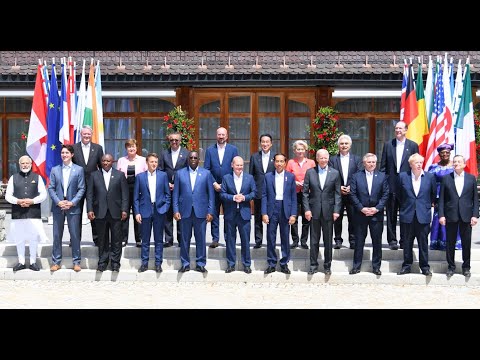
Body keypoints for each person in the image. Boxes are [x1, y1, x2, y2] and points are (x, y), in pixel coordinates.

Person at [173, 150, 215, 273]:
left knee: (201, 239)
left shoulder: (206, 174)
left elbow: (211, 195)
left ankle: (200, 263)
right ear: (188, 159)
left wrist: (210, 211)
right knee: (184, 239)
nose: (192, 159)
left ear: (198, 160)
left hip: (201, 212)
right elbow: (175, 194)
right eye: (190, 157)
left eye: (195, 157)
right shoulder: (180, 174)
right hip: (184, 211)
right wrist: (175, 210)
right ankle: (185, 263)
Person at [5, 155, 49, 272]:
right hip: (18, 213)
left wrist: (32, 201)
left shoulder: (37, 177)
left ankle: (33, 262)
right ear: (19, 165)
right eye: (22, 163)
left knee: (33, 238)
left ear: (31, 164)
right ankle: (21, 262)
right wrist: (18, 201)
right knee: (19, 238)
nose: (25, 165)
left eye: (27, 163)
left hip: (33, 212)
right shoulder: (13, 178)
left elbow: (43, 194)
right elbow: (8, 195)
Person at [380, 121, 419, 250]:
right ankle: (392, 240)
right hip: (391, 185)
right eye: (396, 128)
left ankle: (404, 240)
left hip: (406, 186)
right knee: (391, 213)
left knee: (405, 214)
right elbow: (383, 167)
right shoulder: (388, 145)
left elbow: (416, 165)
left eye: (400, 128)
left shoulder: (413, 146)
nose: (398, 130)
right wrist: (383, 184)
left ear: (406, 130)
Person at [87, 154, 129, 272]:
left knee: (116, 239)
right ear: (101, 162)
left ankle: (115, 263)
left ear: (112, 162)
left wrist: (125, 210)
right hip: (99, 212)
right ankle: (103, 262)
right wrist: (89, 209)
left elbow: (125, 194)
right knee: (102, 239)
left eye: (108, 161)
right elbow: (89, 194)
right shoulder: (94, 175)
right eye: (104, 161)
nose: (105, 163)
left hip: (116, 212)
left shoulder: (120, 175)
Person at [439, 154, 479, 278]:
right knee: (450, 243)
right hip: (451, 215)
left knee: (466, 243)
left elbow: (475, 199)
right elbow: (441, 199)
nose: (456, 163)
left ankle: (466, 267)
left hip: (466, 216)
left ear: (464, 164)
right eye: (454, 161)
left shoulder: (471, 178)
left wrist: (475, 215)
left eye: (459, 162)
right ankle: (451, 267)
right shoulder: (446, 178)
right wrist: (441, 215)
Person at [303, 149, 341, 275]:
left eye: (325, 158)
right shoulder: (310, 172)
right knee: (314, 240)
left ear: (328, 159)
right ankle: (313, 265)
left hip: (329, 211)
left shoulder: (335, 173)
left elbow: (337, 194)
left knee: (328, 240)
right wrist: (307, 209)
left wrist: (336, 210)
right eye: (321, 158)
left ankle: (327, 266)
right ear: (317, 159)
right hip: (313, 211)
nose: (323, 160)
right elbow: (305, 193)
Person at [47, 145, 86, 272]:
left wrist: (72, 202)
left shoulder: (79, 170)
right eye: (62, 153)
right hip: (59, 206)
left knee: (75, 235)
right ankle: (56, 262)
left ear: (72, 155)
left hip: (73, 207)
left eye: (67, 153)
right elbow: (51, 188)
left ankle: (76, 262)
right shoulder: (55, 170)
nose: (64, 155)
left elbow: (81, 188)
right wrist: (58, 202)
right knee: (57, 235)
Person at [349, 153, 389, 275]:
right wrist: (361, 208)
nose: (371, 164)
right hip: (361, 214)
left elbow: (385, 194)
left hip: (376, 214)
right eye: (369, 162)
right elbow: (352, 194)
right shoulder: (356, 176)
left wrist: (377, 208)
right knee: (359, 241)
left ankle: (376, 267)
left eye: (373, 162)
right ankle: (356, 266)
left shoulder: (382, 176)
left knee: (377, 241)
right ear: (364, 163)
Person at [397, 153, 436, 276]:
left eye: (420, 162)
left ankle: (424, 267)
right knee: (407, 242)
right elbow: (399, 195)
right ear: (410, 164)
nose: (419, 164)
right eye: (416, 162)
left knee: (423, 242)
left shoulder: (429, 177)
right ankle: (407, 266)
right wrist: (405, 206)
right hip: (407, 214)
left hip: (423, 215)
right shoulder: (403, 176)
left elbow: (432, 195)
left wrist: (424, 206)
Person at [133, 153, 171, 273]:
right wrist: (137, 212)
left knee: (159, 239)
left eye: (155, 162)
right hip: (145, 211)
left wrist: (165, 208)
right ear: (147, 163)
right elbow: (136, 198)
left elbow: (167, 195)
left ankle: (158, 263)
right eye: (151, 162)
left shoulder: (163, 176)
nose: (154, 164)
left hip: (159, 211)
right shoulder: (140, 177)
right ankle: (144, 263)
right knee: (145, 239)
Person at [220, 156, 256, 274]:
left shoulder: (249, 178)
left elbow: (254, 192)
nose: (239, 167)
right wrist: (233, 197)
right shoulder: (226, 178)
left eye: (241, 165)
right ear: (232, 165)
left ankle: (246, 264)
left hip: (244, 214)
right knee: (230, 240)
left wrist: (245, 198)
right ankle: (231, 264)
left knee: (245, 240)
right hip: (230, 213)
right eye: (237, 165)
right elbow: (222, 194)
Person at [262, 153, 297, 275]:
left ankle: (284, 263)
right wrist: (264, 213)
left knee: (285, 237)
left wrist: (293, 214)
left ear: (285, 163)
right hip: (272, 209)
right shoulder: (268, 177)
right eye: (277, 161)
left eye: (282, 161)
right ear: (274, 162)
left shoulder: (291, 177)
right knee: (271, 237)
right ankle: (271, 263)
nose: (279, 164)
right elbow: (264, 195)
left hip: (285, 209)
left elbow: (293, 197)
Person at [204, 127, 238, 248]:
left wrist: (225, 184)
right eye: (219, 134)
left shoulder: (233, 149)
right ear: (216, 135)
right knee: (214, 213)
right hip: (213, 187)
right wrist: (214, 183)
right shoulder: (209, 150)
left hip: (228, 187)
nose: (221, 137)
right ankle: (215, 238)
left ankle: (228, 237)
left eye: (223, 134)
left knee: (229, 214)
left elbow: (235, 168)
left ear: (227, 136)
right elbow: (207, 169)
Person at [328, 134, 363, 249]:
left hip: (352, 194)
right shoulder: (333, 160)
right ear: (338, 145)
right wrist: (339, 188)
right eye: (341, 144)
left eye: (346, 143)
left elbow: (359, 175)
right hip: (337, 194)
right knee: (337, 218)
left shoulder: (357, 159)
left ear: (350, 145)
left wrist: (351, 188)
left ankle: (352, 240)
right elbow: (330, 176)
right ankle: (338, 240)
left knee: (353, 218)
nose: (344, 146)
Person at [72, 125, 104, 245]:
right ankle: (75, 239)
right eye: (84, 134)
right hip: (77, 186)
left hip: (93, 186)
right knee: (76, 214)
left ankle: (97, 239)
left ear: (92, 135)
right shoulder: (74, 148)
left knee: (94, 212)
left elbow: (102, 167)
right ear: (81, 134)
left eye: (88, 134)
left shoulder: (98, 148)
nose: (86, 136)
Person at [427, 143, 462, 250]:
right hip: (438, 197)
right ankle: (438, 242)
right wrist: (431, 198)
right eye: (442, 153)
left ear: (450, 153)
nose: (445, 155)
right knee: (439, 218)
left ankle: (454, 242)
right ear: (439, 154)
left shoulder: (455, 166)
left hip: (453, 196)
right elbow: (429, 183)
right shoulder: (433, 167)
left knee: (453, 218)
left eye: (447, 153)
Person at [158, 132, 190, 248]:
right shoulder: (164, 154)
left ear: (180, 141)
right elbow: (160, 170)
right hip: (166, 189)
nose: (174, 142)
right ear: (169, 141)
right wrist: (166, 184)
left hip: (181, 189)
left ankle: (181, 239)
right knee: (167, 214)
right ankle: (168, 239)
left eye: (176, 140)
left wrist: (177, 184)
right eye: (172, 140)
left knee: (180, 214)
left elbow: (188, 171)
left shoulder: (186, 153)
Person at [116, 139, 147, 248]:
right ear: (126, 148)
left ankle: (139, 239)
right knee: (124, 214)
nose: (131, 148)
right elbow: (118, 176)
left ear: (137, 147)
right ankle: (123, 239)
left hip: (138, 189)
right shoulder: (121, 160)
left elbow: (146, 176)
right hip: (124, 189)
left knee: (137, 214)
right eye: (129, 147)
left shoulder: (143, 160)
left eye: (133, 146)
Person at [286, 140, 316, 250]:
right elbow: (287, 176)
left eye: (302, 149)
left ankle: (304, 241)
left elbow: (314, 176)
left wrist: (307, 183)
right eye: (298, 149)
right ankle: (295, 240)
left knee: (306, 217)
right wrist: (294, 182)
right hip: (294, 193)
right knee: (293, 216)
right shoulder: (290, 162)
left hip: (307, 194)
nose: (300, 151)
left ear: (305, 150)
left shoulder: (311, 163)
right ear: (294, 150)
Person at [249, 133, 275, 249]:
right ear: (260, 143)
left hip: (272, 192)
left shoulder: (275, 157)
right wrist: (252, 190)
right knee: (258, 217)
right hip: (258, 192)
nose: (265, 144)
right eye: (263, 142)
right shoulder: (254, 157)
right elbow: (251, 175)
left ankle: (271, 240)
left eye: (267, 142)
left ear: (271, 143)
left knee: (271, 217)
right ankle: (258, 241)